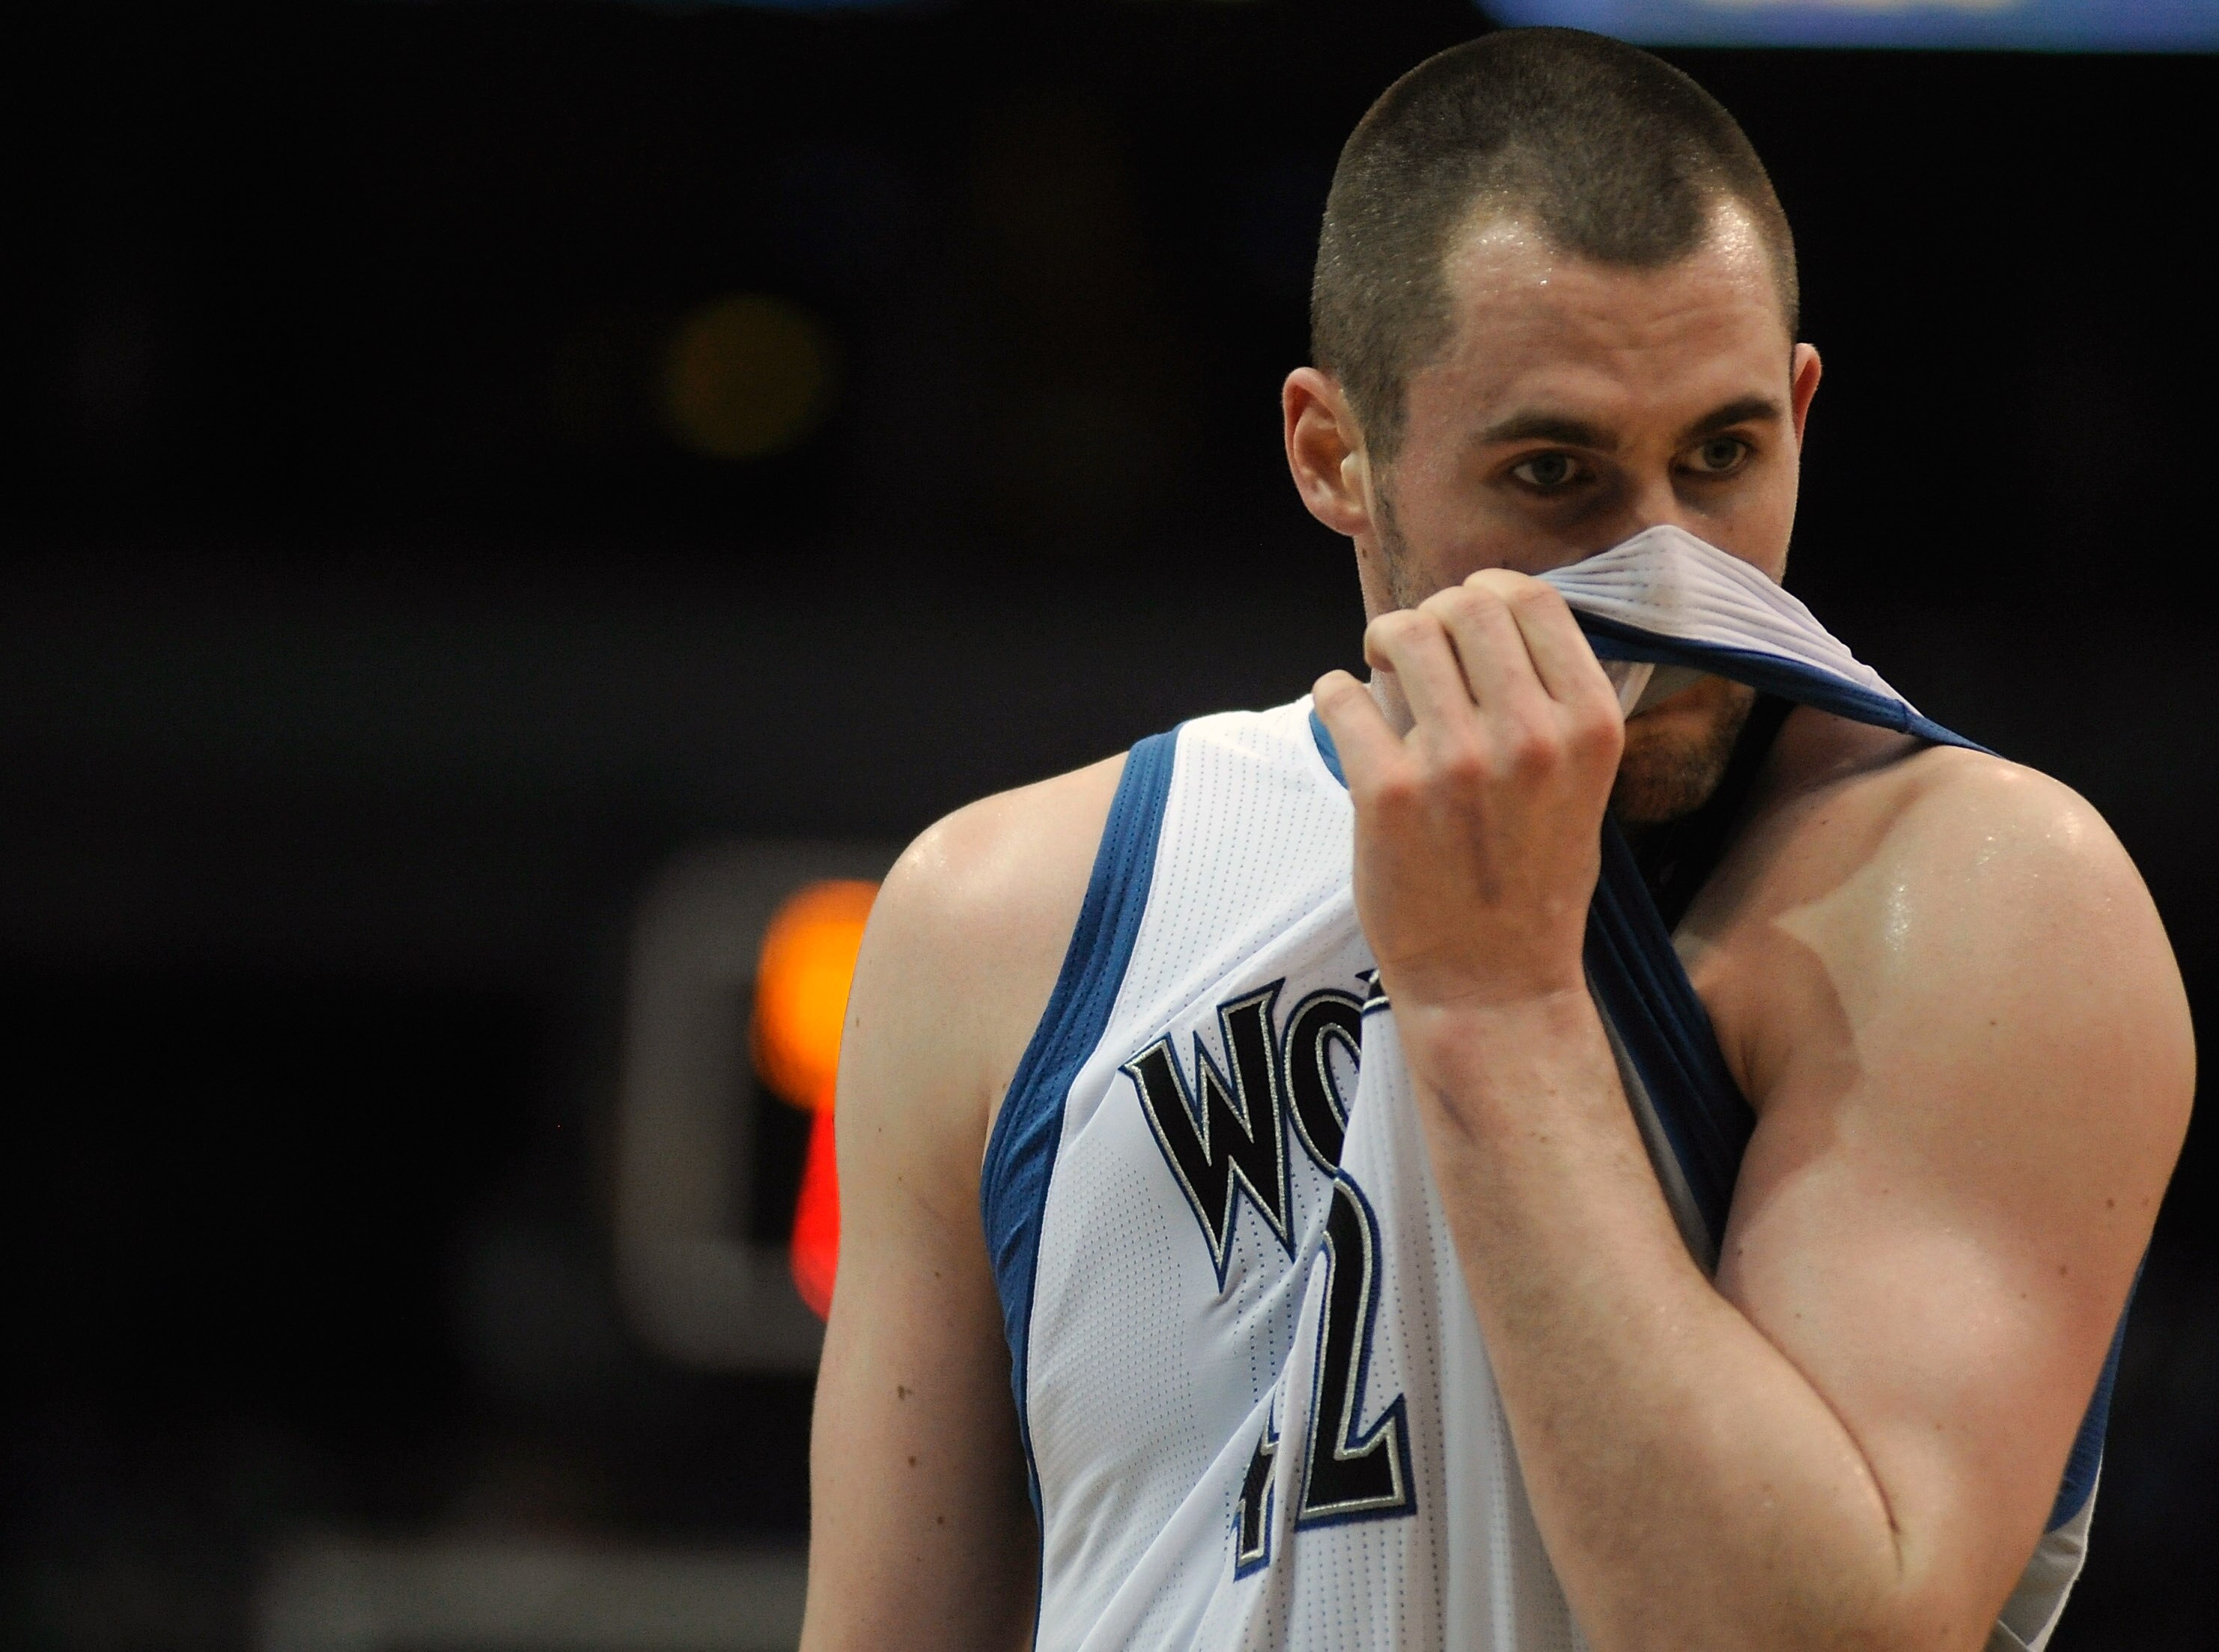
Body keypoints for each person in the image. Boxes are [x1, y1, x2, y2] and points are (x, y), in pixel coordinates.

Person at [799, 28, 2191, 1652]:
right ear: (1338, 456)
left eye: (1724, 457)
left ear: (1804, 410)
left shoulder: (1977, 896)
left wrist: (1498, 1011)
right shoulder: (997, 918)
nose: (1669, 578)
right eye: (1557, 477)